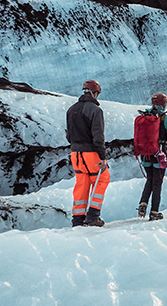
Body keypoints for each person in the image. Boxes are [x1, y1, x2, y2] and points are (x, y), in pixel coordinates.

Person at [66, 80, 110, 227]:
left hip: (75, 154)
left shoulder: (71, 109)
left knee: (82, 183)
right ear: (95, 93)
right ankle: (93, 215)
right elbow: (98, 137)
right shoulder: (95, 110)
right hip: (90, 154)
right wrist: (102, 157)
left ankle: (78, 219)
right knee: (103, 178)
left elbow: (68, 135)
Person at [138, 92, 167, 221]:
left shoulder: (145, 115)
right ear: (163, 105)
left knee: (150, 179)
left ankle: (143, 203)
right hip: (159, 154)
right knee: (157, 183)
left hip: (145, 155)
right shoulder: (165, 118)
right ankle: (154, 211)